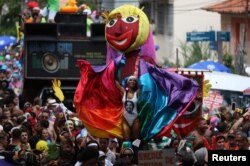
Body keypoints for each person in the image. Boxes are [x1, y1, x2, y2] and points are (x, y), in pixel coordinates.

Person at [116, 75, 140, 141]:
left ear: (136, 83)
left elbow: (144, 84)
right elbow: (115, 82)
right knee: (126, 140)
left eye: (134, 80)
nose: (132, 81)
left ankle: (136, 151)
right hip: (125, 119)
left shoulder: (137, 92)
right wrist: (112, 68)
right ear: (127, 82)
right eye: (130, 80)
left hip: (135, 120)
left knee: (136, 139)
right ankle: (128, 151)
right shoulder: (124, 92)